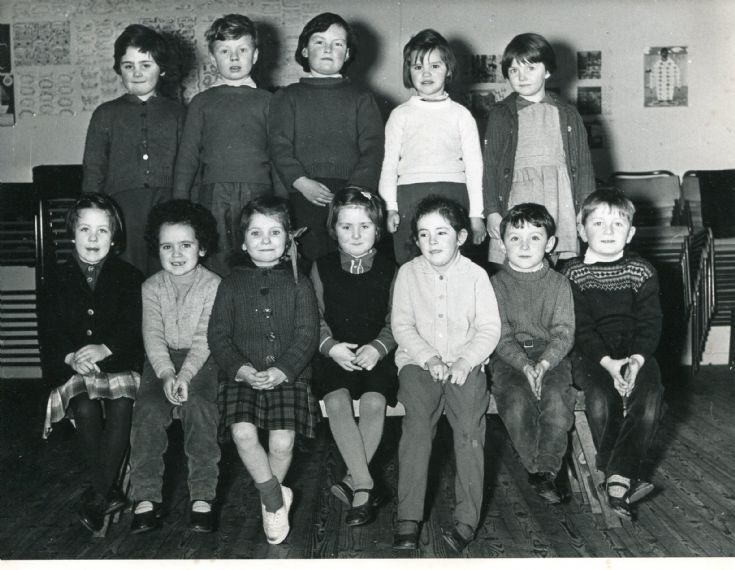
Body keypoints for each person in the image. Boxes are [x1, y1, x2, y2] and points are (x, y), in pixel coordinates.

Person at [207, 196, 320, 544]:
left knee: (283, 443)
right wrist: (239, 369)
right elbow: (218, 334)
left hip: (289, 375)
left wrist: (284, 370)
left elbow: (307, 333)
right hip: (243, 376)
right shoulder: (230, 283)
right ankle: (273, 501)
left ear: (289, 240)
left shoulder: (300, 282)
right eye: (256, 233)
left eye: (274, 232)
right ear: (243, 242)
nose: (266, 240)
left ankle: (271, 497)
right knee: (243, 434)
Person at [390, 196, 500, 552]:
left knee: (469, 430)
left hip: (465, 364)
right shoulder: (408, 273)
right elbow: (402, 325)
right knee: (418, 425)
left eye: (441, 232)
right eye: (423, 234)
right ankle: (408, 515)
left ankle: (466, 519)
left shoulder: (476, 276)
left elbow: (488, 329)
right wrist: (428, 358)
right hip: (419, 365)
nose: (432, 241)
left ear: (462, 236)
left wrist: (466, 361)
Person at [41, 193, 144, 534]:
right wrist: (70, 356)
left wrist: (105, 347)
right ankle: (106, 491)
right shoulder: (55, 277)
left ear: (115, 237)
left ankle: (99, 496)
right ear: (73, 234)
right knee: (84, 409)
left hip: (118, 363)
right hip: (75, 368)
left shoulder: (129, 276)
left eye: (103, 231)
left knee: (122, 406)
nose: (93, 238)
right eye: (85, 229)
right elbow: (50, 328)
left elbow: (133, 325)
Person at [562, 188, 665, 520]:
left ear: (631, 233)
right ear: (581, 230)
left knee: (650, 398)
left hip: (635, 353)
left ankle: (615, 476)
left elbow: (651, 323)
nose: (607, 232)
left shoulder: (642, 270)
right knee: (601, 401)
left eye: (617, 224)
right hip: (591, 355)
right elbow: (581, 328)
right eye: (598, 223)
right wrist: (609, 365)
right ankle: (616, 473)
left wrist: (635, 361)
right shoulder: (573, 273)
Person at [128, 200, 221, 534]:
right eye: (167, 246)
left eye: (186, 245)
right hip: (161, 361)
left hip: (202, 362)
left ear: (202, 247)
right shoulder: (150, 287)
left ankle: (203, 498)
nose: (177, 253)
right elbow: (152, 336)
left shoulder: (214, 285)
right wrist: (167, 373)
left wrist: (185, 374)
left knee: (199, 409)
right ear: (157, 248)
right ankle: (146, 498)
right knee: (149, 411)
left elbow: (205, 338)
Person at [310, 187, 397, 526]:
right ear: (334, 230)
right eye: (346, 227)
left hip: (378, 354)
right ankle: (365, 486)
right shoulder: (321, 267)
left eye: (365, 226)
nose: (356, 234)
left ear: (378, 228)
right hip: (336, 354)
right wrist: (330, 346)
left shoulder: (392, 269)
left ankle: (354, 482)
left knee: (376, 400)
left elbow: (397, 321)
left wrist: (378, 348)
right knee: (336, 399)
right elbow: (312, 318)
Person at [268, 12, 384, 264]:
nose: (328, 49)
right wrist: (300, 182)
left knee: (348, 262)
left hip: (352, 196)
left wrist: (354, 192)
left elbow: (373, 149)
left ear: (348, 54)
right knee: (307, 264)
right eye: (319, 41)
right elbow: (279, 146)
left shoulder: (362, 98)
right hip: (302, 195)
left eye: (337, 44)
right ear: (305, 50)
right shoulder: (287, 96)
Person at [173, 14, 273, 277]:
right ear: (213, 57)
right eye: (225, 51)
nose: (234, 57)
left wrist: (281, 203)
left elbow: (279, 154)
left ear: (255, 55)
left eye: (242, 49)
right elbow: (188, 156)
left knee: (259, 257)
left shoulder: (269, 101)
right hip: (213, 195)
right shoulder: (201, 102)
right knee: (216, 260)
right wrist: (181, 204)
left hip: (259, 192)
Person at [488, 203, 575, 505]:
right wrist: (526, 366)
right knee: (513, 402)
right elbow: (501, 335)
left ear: (550, 243)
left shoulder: (560, 284)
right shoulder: (496, 284)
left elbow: (564, 333)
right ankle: (541, 469)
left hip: (552, 355)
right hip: (510, 358)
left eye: (534, 238)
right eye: (515, 238)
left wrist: (545, 363)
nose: (524, 246)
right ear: (502, 244)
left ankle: (547, 470)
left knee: (556, 400)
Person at [483, 32, 595, 266]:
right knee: (518, 261)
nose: (521, 76)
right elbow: (490, 165)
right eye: (514, 70)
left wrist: (585, 211)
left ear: (547, 71)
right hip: (517, 196)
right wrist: (492, 210)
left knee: (559, 268)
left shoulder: (568, 113)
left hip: (560, 197)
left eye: (530, 68)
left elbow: (583, 166)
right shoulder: (500, 115)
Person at [82, 24, 185, 275]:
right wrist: (93, 213)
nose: (137, 73)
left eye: (146, 65)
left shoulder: (179, 113)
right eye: (129, 66)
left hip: (170, 204)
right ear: (119, 69)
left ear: (162, 69)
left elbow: (189, 165)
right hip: (122, 209)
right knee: (127, 274)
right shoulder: (105, 114)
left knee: (167, 273)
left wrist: (185, 210)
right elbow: (94, 169)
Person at [379, 29, 485, 264]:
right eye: (418, 67)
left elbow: (475, 168)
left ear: (448, 69)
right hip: (409, 195)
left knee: (453, 264)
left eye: (435, 66)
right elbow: (388, 165)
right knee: (411, 265)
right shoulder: (399, 115)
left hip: (454, 194)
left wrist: (476, 215)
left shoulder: (461, 115)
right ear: (409, 72)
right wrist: (390, 207)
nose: (426, 73)